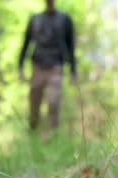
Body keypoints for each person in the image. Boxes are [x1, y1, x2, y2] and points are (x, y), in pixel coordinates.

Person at [18, 0, 77, 130]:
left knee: (53, 102)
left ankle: (52, 137)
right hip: (37, 66)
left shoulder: (65, 19)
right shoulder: (35, 19)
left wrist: (73, 71)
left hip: (56, 67)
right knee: (34, 104)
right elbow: (26, 43)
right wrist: (20, 66)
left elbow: (71, 46)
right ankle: (33, 135)